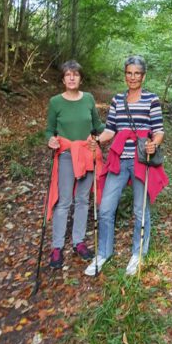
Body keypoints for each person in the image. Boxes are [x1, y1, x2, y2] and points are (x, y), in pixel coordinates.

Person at [85, 55, 168, 277]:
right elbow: (111, 129)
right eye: (129, 73)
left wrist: (154, 144)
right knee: (105, 208)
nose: (132, 77)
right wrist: (98, 140)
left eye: (137, 73)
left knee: (141, 209)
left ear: (143, 75)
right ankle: (103, 253)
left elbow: (159, 130)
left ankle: (138, 253)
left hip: (142, 159)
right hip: (120, 158)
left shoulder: (151, 100)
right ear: (125, 75)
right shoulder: (117, 100)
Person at [45, 60, 104, 269]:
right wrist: (50, 140)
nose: (71, 78)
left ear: (80, 78)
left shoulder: (88, 99)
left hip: (87, 154)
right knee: (64, 201)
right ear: (63, 79)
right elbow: (49, 130)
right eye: (68, 74)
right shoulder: (55, 102)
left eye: (75, 74)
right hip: (67, 155)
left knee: (82, 200)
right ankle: (57, 246)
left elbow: (98, 126)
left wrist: (115, 127)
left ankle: (78, 242)